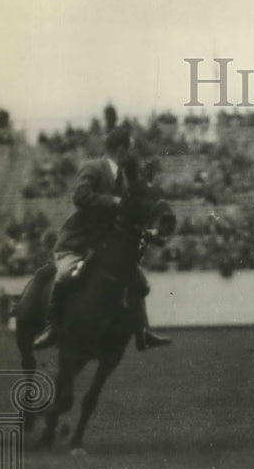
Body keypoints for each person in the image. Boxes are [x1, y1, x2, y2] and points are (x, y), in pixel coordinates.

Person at [34, 128, 171, 351]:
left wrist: (147, 231)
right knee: (64, 274)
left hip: (106, 243)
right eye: (131, 148)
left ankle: (143, 332)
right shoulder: (93, 168)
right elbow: (80, 197)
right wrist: (113, 201)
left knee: (138, 280)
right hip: (79, 242)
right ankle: (52, 328)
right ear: (121, 149)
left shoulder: (126, 178)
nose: (133, 152)